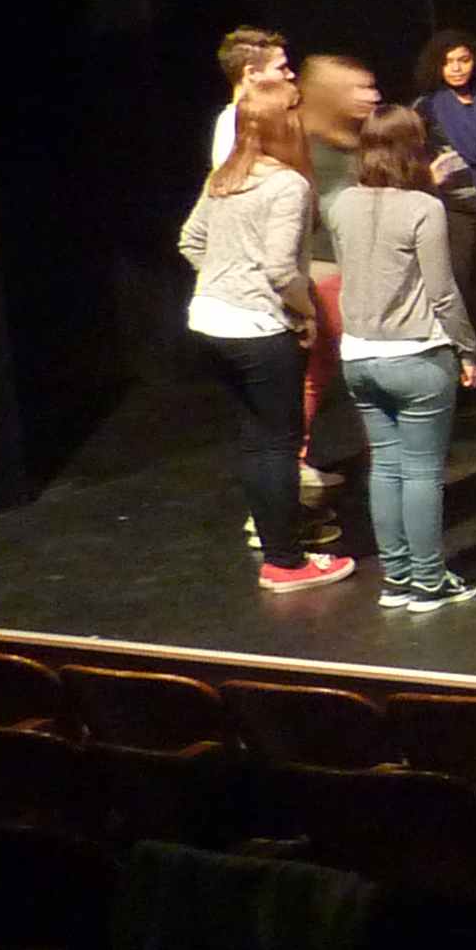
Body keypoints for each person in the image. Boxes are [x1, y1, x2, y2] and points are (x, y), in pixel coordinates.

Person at [182, 69, 351, 592]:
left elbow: (191, 241)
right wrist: (306, 313)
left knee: (257, 443)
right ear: (284, 124)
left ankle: (278, 550)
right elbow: (280, 269)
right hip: (258, 327)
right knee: (278, 445)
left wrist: (224, 281)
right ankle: (286, 562)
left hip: (209, 321)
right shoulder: (287, 185)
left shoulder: (224, 179)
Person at [324, 105, 476, 610]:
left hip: (359, 357)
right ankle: (429, 581)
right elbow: (442, 292)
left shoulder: (340, 203)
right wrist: (469, 350)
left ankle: (397, 579)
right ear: (414, 149)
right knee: (420, 473)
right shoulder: (423, 207)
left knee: (386, 469)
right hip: (416, 356)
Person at [297, 54, 379, 485]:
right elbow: (331, 212)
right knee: (322, 373)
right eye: (360, 89)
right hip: (328, 269)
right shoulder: (317, 150)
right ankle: (297, 464)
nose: (373, 96)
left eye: (372, 86)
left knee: (329, 373)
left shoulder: (349, 143)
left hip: (348, 267)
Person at [413, 31, 476, 386]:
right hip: (450, 208)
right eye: (448, 62)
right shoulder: (426, 109)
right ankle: (464, 368)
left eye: (463, 60)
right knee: (459, 286)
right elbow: (413, 158)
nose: (456, 68)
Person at [210, 24, 287, 168]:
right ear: (251, 73)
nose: (290, 75)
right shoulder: (231, 125)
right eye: (281, 68)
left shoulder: (267, 118)